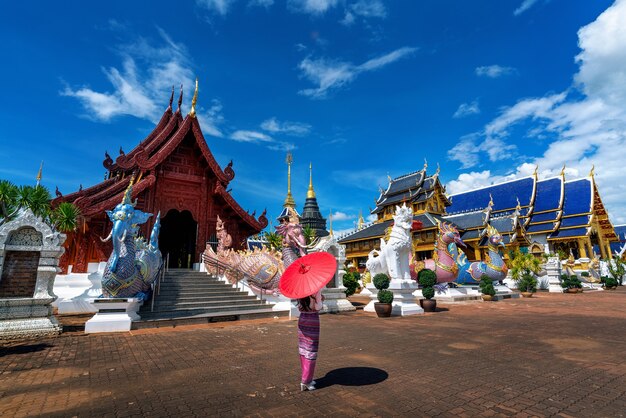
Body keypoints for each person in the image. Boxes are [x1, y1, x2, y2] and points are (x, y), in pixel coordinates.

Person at [297, 288, 324, 391]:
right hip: (312, 320)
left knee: (304, 349)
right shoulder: (315, 290)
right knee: (311, 350)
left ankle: (307, 377)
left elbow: (300, 306)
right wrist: (320, 299)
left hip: (302, 319)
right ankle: (306, 381)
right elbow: (318, 307)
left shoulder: (299, 290)